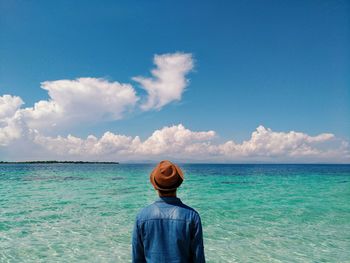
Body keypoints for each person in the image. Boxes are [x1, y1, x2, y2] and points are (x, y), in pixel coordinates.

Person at [132, 160, 205, 263]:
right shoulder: (192, 216)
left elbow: (137, 258)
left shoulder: (141, 217)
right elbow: (198, 258)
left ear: (155, 186)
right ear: (178, 184)